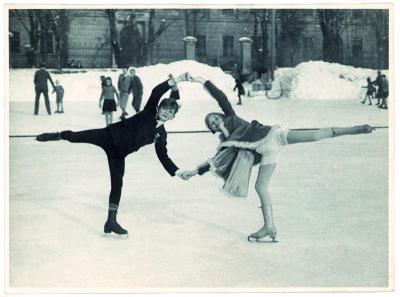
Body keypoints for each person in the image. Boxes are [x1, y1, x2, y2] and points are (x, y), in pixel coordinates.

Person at [180, 74, 375, 242]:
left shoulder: (230, 116)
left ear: (219, 115)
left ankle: (357, 129)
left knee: (315, 135)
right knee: (260, 187)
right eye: (210, 123)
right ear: (212, 129)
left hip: (274, 136)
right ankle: (269, 227)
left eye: (213, 117)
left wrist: (200, 80)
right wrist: (194, 172)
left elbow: (220, 96)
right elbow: (215, 161)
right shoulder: (226, 143)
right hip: (267, 152)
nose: (213, 121)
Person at [35, 73, 190, 236]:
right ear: (159, 108)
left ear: (173, 117)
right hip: (108, 136)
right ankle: (58, 135)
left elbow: (163, 156)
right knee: (76, 137)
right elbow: (156, 92)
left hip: (118, 154)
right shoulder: (149, 112)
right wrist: (175, 81)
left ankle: (111, 221)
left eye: (171, 111)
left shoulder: (161, 135)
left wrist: (178, 172)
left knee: (117, 184)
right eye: (165, 108)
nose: (167, 112)